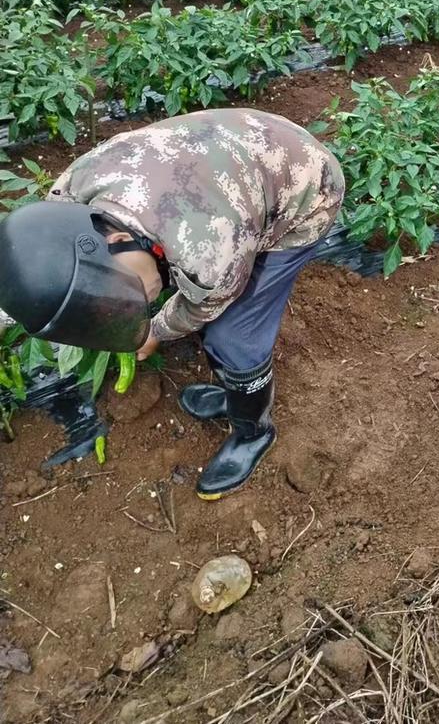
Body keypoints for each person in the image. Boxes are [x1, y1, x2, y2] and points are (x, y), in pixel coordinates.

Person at [0, 109, 345, 501]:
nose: (140, 303)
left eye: (134, 294)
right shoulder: (70, 197)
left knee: (235, 335)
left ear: (116, 242)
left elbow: (201, 306)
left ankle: (254, 431)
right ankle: (232, 396)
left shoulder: (208, 255)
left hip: (306, 187)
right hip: (237, 149)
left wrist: (155, 332)